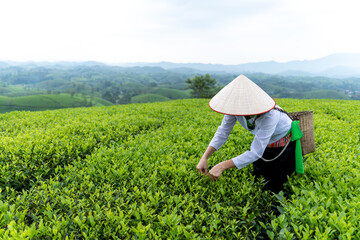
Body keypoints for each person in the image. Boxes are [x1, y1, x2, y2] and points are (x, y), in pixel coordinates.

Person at [196, 75, 303, 193]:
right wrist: (204, 157)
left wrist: (221, 166)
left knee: (275, 184)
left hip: (282, 145)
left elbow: (255, 152)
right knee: (258, 179)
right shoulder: (234, 108)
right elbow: (223, 132)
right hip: (264, 144)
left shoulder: (270, 115)